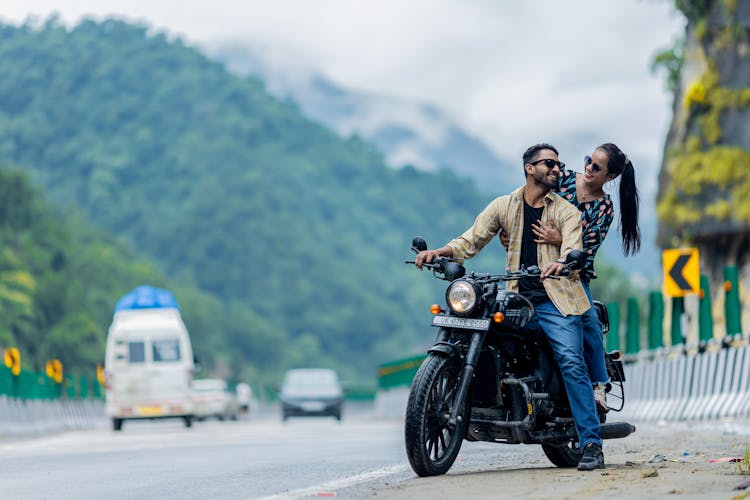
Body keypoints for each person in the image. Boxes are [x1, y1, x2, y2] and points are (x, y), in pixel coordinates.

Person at [415, 143, 605, 471]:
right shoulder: (504, 206)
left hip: (557, 300)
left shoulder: (565, 211)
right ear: (530, 168)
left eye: (559, 165)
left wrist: (562, 261)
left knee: (572, 363)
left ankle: (591, 443)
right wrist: (439, 253)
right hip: (517, 297)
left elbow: (574, 245)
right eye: (550, 164)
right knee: (476, 325)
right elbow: (470, 241)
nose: (558, 170)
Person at [511, 143, 641, 412]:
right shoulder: (564, 179)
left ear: (611, 176)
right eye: (588, 161)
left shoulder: (604, 208)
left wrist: (560, 240)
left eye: (596, 167)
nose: (588, 168)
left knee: (589, 321)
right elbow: (531, 201)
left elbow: (588, 249)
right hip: (533, 265)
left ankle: (599, 384)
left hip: (571, 274)